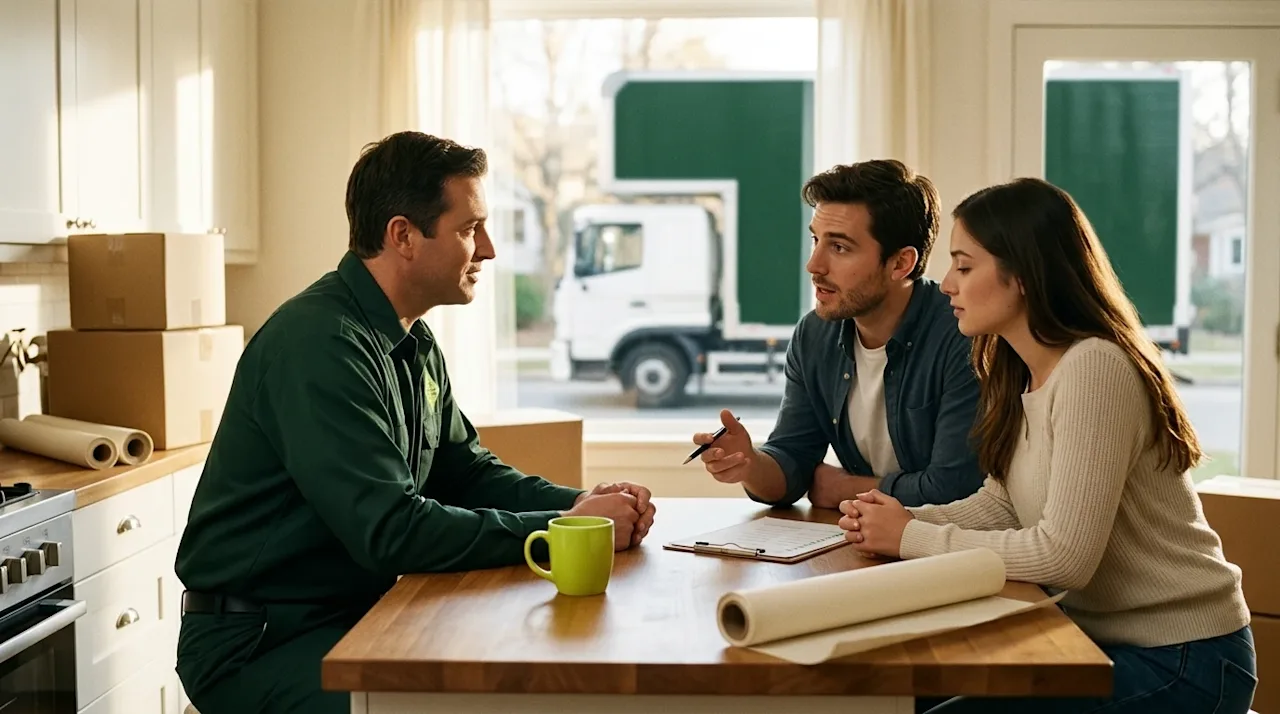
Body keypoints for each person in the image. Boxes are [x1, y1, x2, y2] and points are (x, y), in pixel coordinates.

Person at [174, 131, 658, 714]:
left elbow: (468, 472)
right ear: (403, 235)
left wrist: (585, 506)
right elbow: (391, 530)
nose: (488, 250)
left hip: (351, 615)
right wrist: (562, 526)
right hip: (260, 643)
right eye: (468, 229)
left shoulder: (412, 338)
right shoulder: (319, 344)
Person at [839, 178, 1255, 713]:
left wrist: (912, 537)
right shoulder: (1019, 371)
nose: (945, 284)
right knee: (910, 696)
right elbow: (1003, 503)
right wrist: (903, 518)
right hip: (1101, 641)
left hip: (1185, 659)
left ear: (1024, 276)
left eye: (964, 266)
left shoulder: (1094, 367)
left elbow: (1064, 558)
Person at [693, 160, 984, 509]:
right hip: (864, 541)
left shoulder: (964, 335)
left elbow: (955, 489)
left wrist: (843, 489)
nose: (814, 265)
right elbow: (793, 464)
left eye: (840, 247)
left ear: (900, 264)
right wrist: (750, 463)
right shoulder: (815, 335)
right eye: (816, 240)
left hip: (946, 552)